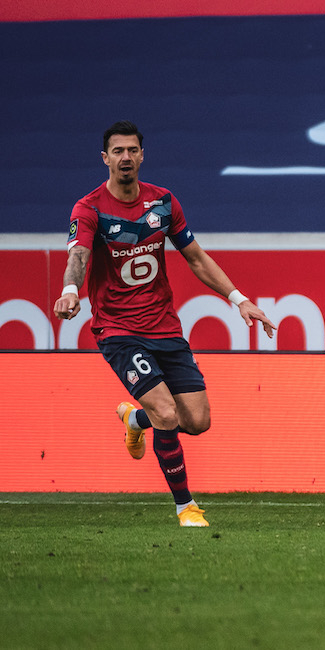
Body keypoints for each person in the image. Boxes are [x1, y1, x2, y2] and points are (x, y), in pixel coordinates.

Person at [53, 120, 275, 527]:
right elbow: (79, 256)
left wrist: (239, 299)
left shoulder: (163, 202)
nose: (125, 157)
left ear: (142, 155)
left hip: (165, 327)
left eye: (132, 150)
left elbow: (196, 257)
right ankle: (185, 507)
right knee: (167, 413)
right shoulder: (89, 209)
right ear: (105, 158)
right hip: (118, 330)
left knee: (197, 422)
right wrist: (70, 289)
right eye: (117, 151)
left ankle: (134, 419)